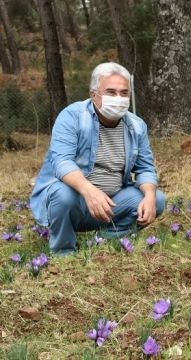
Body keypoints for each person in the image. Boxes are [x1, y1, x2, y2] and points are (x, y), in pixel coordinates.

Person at [30, 62, 165, 255]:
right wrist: (89, 191)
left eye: (124, 93)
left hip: (111, 204)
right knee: (62, 194)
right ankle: (64, 250)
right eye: (111, 92)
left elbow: (145, 168)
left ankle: (107, 238)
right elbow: (61, 162)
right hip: (76, 201)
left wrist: (150, 196)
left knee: (157, 199)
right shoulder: (72, 116)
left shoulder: (136, 126)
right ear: (94, 94)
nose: (118, 98)